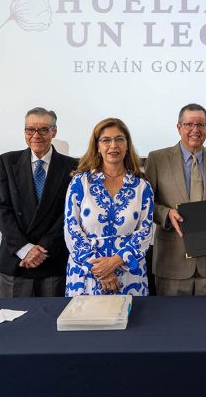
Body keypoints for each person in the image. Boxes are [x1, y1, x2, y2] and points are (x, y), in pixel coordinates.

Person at [145, 103, 206, 296]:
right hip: (172, 261)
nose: (195, 130)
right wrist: (166, 213)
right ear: (179, 127)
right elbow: (146, 205)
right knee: (172, 315)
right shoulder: (157, 159)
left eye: (201, 125)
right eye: (189, 124)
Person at [0, 107, 76, 297]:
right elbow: (2, 208)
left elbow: (70, 214)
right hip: (16, 258)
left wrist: (42, 250)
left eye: (43, 129)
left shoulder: (72, 166)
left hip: (52, 258)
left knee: (54, 315)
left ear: (54, 131)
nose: (36, 135)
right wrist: (26, 250)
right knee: (13, 316)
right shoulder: (7, 161)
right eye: (30, 129)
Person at [65, 118, 153, 296]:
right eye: (106, 140)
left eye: (119, 139)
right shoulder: (80, 183)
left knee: (132, 316)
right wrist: (101, 270)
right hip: (88, 275)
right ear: (97, 146)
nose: (113, 145)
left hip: (129, 277)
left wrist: (115, 262)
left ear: (127, 145)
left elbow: (145, 232)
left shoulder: (142, 187)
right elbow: (71, 228)